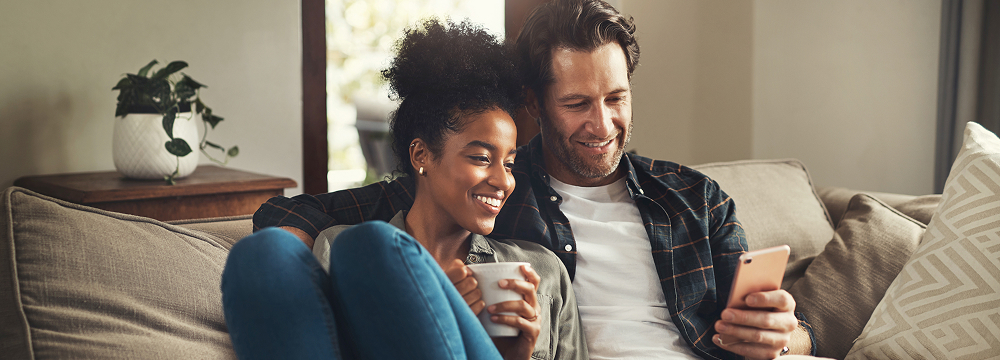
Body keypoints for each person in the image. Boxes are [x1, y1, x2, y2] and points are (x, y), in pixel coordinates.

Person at [254, 1, 815, 359]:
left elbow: (789, 323)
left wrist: (785, 337)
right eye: (576, 104)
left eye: (616, 99)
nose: (602, 124)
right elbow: (295, 216)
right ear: (535, 104)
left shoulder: (694, 198)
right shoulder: (491, 190)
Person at [226, 19, 586, 360]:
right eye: (480, 158)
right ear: (421, 155)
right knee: (260, 255)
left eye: (508, 163)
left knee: (371, 245)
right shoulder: (337, 247)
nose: (504, 180)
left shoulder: (541, 271)